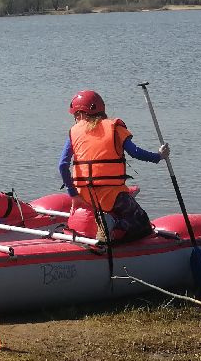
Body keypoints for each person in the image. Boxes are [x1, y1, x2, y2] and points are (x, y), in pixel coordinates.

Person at [60, 88, 169, 246]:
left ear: (81, 114)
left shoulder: (73, 132)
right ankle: (114, 224)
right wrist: (159, 156)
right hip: (112, 194)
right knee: (143, 225)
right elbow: (136, 152)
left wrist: (73, 195)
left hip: (85, 194)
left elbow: (62, 165)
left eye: (75, 115)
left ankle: (109, 228)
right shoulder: (115, 127)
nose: (75, 120)